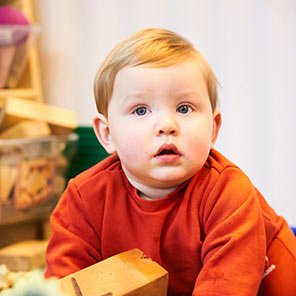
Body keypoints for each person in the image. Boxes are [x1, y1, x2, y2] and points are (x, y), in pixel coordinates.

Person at [45, 28, 296, 295]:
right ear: (107, 134)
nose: (166, 125)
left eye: (184, 108)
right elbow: (66, 282)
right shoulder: (83, 199)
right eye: (141, 110)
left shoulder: (229, 193)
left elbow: (225, 288)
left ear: (213, 128)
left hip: (265, 278)